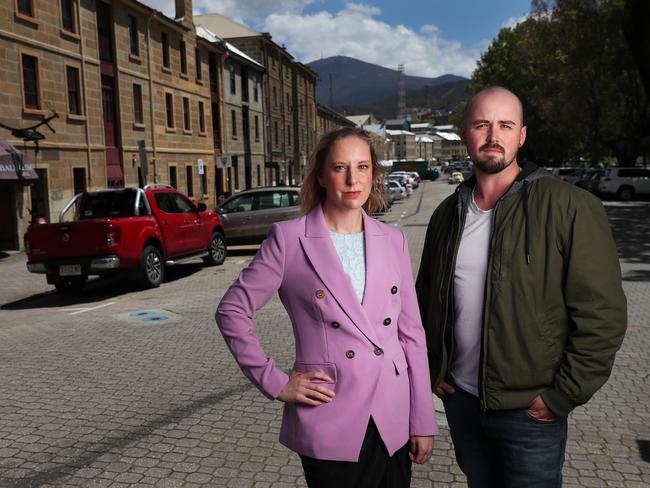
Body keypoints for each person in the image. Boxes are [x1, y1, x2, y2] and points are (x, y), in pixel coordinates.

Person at [415, 86, 627, 488]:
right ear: (464, 134)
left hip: (530, 412)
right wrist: (434, 368)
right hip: (461, 401)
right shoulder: (446, 214)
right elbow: (426, 299)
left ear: (522, 135)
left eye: (505, 125)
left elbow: (603, 316)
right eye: (482, 124)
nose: (494, 136)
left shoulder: (570, 207)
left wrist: (562, 395)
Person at [216, 127, 437, 487]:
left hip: (393, 414)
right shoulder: (289, 239)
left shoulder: (393, 239)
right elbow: (232, 311)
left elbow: (411, 334)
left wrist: (423, 419)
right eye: (340, 167)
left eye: (363, 167)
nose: (353, 179)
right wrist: (276, 382)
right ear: (320, 175)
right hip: (332, 413)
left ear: (374, 174)